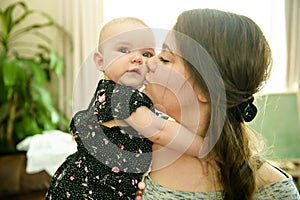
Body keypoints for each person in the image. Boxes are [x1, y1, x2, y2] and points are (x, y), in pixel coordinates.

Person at [136, 8, 300, 200]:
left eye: (165, 58)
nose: (148, 63)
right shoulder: (136, 146)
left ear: (205, 90)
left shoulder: (274, 191)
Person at [46, 17, 206, 200]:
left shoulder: (133, 99)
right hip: (84, 190)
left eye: (146, 54)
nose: (137, 58)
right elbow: (160, 130)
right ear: (100, 61)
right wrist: (205, 149)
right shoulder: (118, 96)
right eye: (124, 50)